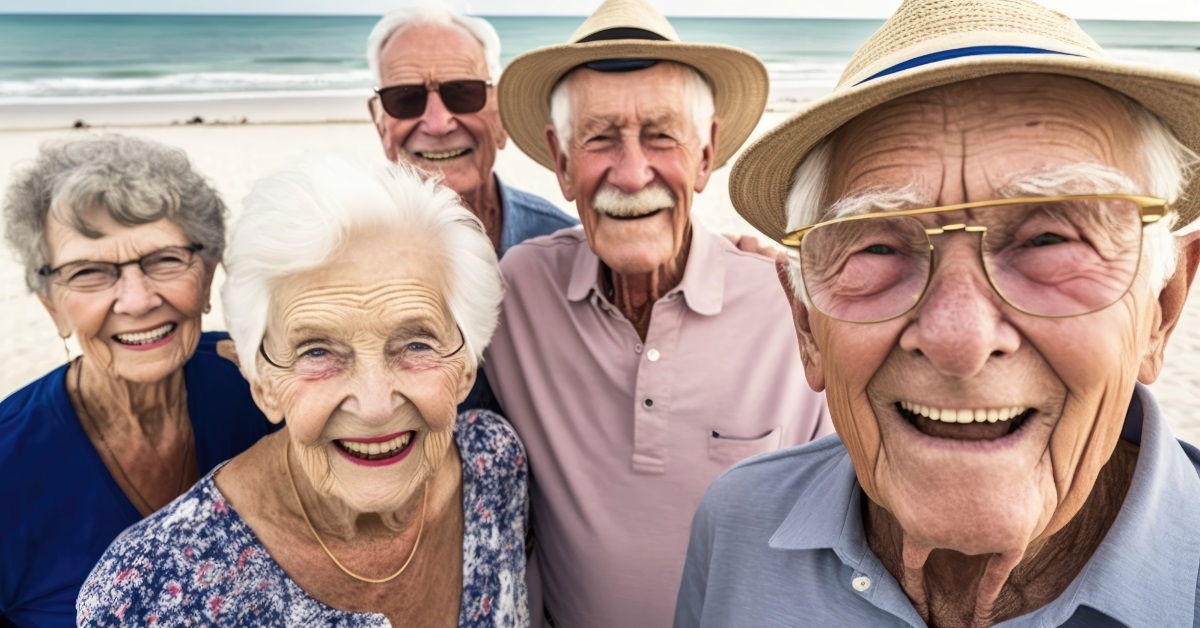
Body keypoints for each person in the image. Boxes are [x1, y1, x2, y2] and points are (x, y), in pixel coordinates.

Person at [676, 0, 1200, 625]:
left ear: (1161, 312)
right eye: (876, 246)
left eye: (1049, 241)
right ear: (807, 326)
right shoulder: (738, 525)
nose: (959, 338)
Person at [488, 1, 831, 625]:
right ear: (561, 162)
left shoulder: (791, 312)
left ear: (706, 155)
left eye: (661, 135)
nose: (631, 171)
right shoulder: (516, 290)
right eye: (598, 138)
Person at [76, 155, 528, 627]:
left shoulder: (494, 465)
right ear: (262, 383)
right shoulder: (149, 591)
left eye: (416, 343)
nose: (374, 407)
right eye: (317, 352)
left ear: (466, 366)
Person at [0, 134, 277, 625]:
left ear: (208, 276)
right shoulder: (9, 467)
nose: (138, 299)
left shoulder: (265, 385)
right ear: (52, 306)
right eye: (89, 272)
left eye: (165, 259)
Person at [366, 6, 577, 256]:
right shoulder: (343, 252)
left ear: (500, 113)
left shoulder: (565, 252)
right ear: (380, 123)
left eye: (462, 93)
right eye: (405, 98)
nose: (438, 124)